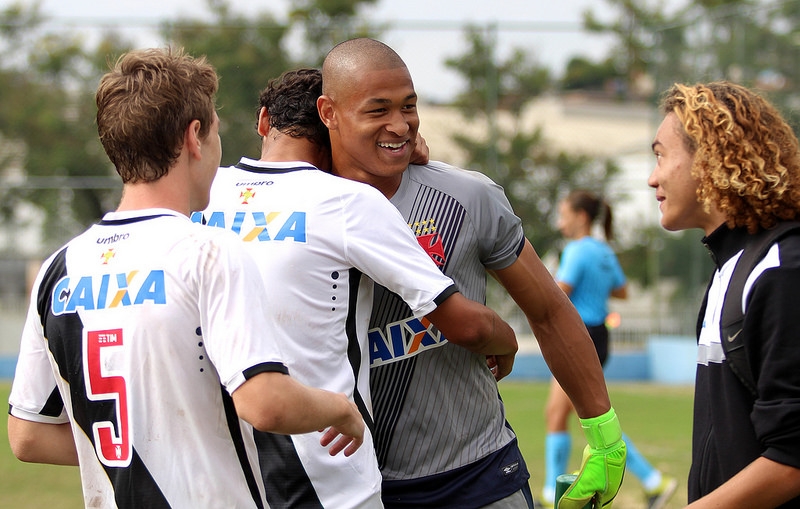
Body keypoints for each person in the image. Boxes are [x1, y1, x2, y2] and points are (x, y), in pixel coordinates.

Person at [6, 47, 366, 508]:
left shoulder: (59, 268)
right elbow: (265, 402)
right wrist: (340, 408)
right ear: (195, 136)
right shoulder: (208, 251)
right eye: (216, 130)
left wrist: (150, 450)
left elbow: (29, 434)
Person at [317, 37, 627, 509]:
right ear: (329, 113)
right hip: (353, 488)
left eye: (409, 107)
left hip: (481, 476)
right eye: (378, 110)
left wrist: (605, 437)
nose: (399, 125)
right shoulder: (300, 213)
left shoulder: (468, 197)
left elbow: (548, 310)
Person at [194, 67, 519, 508]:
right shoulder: (345, 201)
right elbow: (468, 326)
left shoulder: (204, 194)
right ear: (334, 127)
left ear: (264, 121)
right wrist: (506, 340)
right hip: (326, 469)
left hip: (222, 471)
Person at [649, 81, 800, 508]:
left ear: (709, 157)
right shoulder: (729, 270)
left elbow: (792, 456)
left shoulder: (782, 268)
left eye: (661, 155)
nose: (652, 177)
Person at [543, 189, 677, 509]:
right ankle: (652, 481)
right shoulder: (603, 252)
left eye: (563, 215)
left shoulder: (577, 251)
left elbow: (558, 293)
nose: (560, 223)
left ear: (581, 217)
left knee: (576, 417)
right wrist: (595, 288)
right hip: (598, 336)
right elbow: (622, 291)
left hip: (578, 337)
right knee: (573, 414)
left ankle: (550, 495)